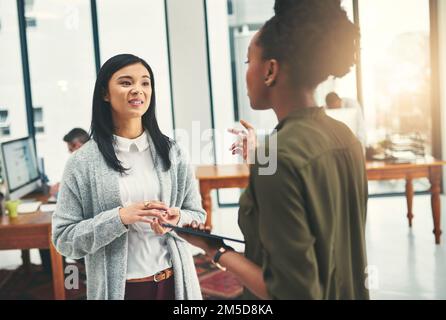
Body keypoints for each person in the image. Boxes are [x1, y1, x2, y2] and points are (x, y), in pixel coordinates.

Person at [175, 0, 369, 300]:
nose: (246, 72)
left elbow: (290, 292)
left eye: (248, 61)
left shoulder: (279, 155)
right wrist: (259, 158)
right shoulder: (343, 137)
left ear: (270, 70)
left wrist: (215, 250)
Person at [52, 54, 206, 300]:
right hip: (122, 291)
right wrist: (119, 218)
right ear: (105, 93)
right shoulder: (81, 162)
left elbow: (197, 215)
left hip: (174, 284)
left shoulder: (173, 152)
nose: (138, 90)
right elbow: (64, 240)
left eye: (145, 83)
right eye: (126, 83)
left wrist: (179, 219)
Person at [49, 128, 90, 198]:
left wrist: (60, 190)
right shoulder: (85, 163)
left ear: (78, 146)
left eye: (71, 150)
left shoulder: (89, 166)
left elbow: (82, 197)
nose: (70, 153)